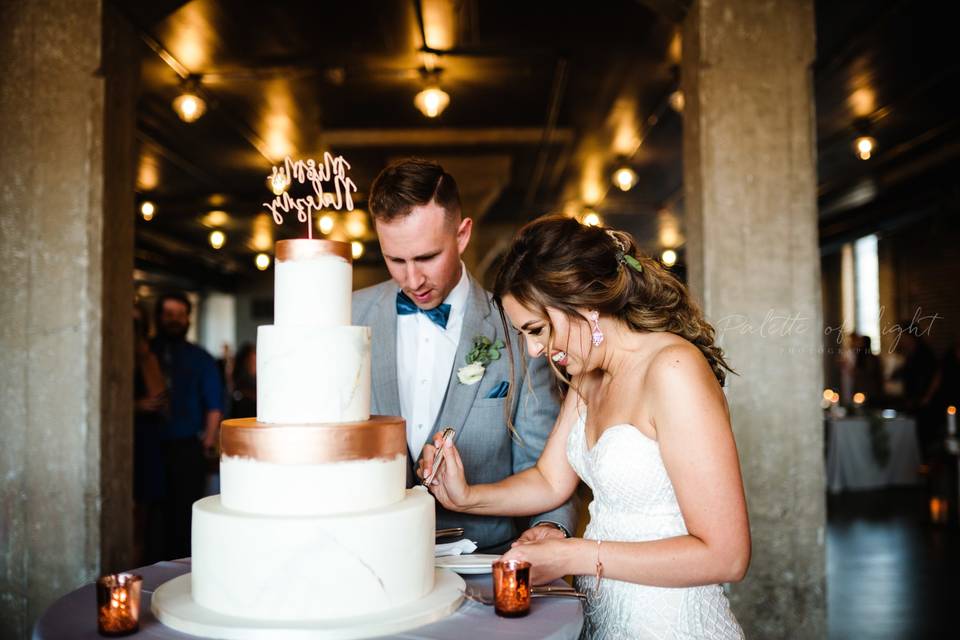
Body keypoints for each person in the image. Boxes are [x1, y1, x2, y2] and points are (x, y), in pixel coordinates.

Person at [419, 216, 749, 638]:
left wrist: (572, 556)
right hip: (603, 620)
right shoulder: (587, 375)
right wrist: (466, 497)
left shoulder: (673, 369)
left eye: (537, 330)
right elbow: (549, 481)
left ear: (583, 303)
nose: (533, 350)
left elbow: (727, 556)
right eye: (523, 334)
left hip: (672, 622)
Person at [352, 158, 576, 552]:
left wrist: (552, 529)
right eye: (395, 260)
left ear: (463, 235)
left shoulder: (517, 328)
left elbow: (544, 463)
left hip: (483, 559)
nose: (413, 279)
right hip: (371, 555)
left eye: (426, 257)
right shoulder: (348, 318)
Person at [151, 292, 224, 559]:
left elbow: (214, 404)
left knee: (184, 517)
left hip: (186, 449)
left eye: (180, 315)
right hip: (147, 446)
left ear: (188, 319)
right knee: (151, 517)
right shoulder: (144, 352)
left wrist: (208, 441)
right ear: (159, 317)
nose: (174, 320)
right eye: (169, 314)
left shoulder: (200, 358)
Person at [132, 301, 167, 564]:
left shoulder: (147, 353)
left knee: (143, 514)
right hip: (123, 436)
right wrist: (133, 405)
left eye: (137, 324)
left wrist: (143, 354)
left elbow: (158, 397)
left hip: (146, 437)